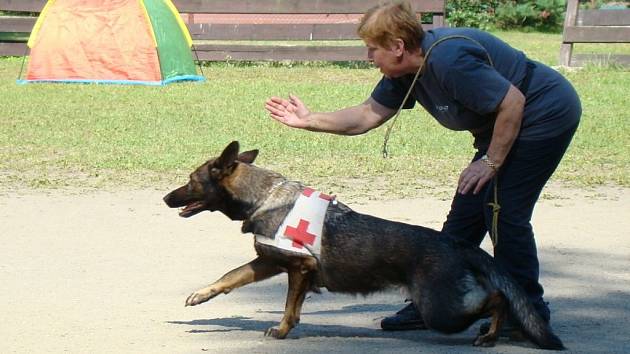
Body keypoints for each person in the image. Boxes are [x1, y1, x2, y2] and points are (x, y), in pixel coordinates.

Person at [264, 1, 580, 336]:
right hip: (502, 126)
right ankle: (435, 298)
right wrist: (307, 120)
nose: (368, 57)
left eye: (372, 49)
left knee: (503, 211)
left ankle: (528, 312)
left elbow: (513, 102)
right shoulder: (404, 72)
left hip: (542, 115)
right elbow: (366, 116)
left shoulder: (449, 60)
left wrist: (491, 161)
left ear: (397, 47)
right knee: (465, 214)